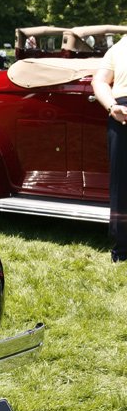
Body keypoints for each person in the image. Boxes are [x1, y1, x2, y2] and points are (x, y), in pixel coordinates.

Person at [91, 36, 127, 262]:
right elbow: (100, 81)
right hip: (122, 112)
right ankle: (122, 249)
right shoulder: (119, 47)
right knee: (121, 182)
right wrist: (113, 106)